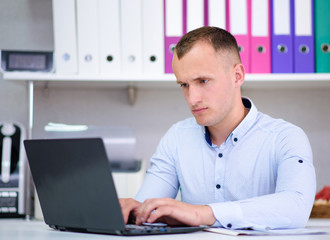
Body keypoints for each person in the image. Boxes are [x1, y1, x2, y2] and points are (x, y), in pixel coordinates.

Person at [120, 26, 316, 230]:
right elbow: (148, 209)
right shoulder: (177, 137)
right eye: (184, 85)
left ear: (237, 76)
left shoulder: (285, 137)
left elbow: (296, 207)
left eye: (203, 81)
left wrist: (202, 213)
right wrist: (132, 210)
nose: (192, 98)